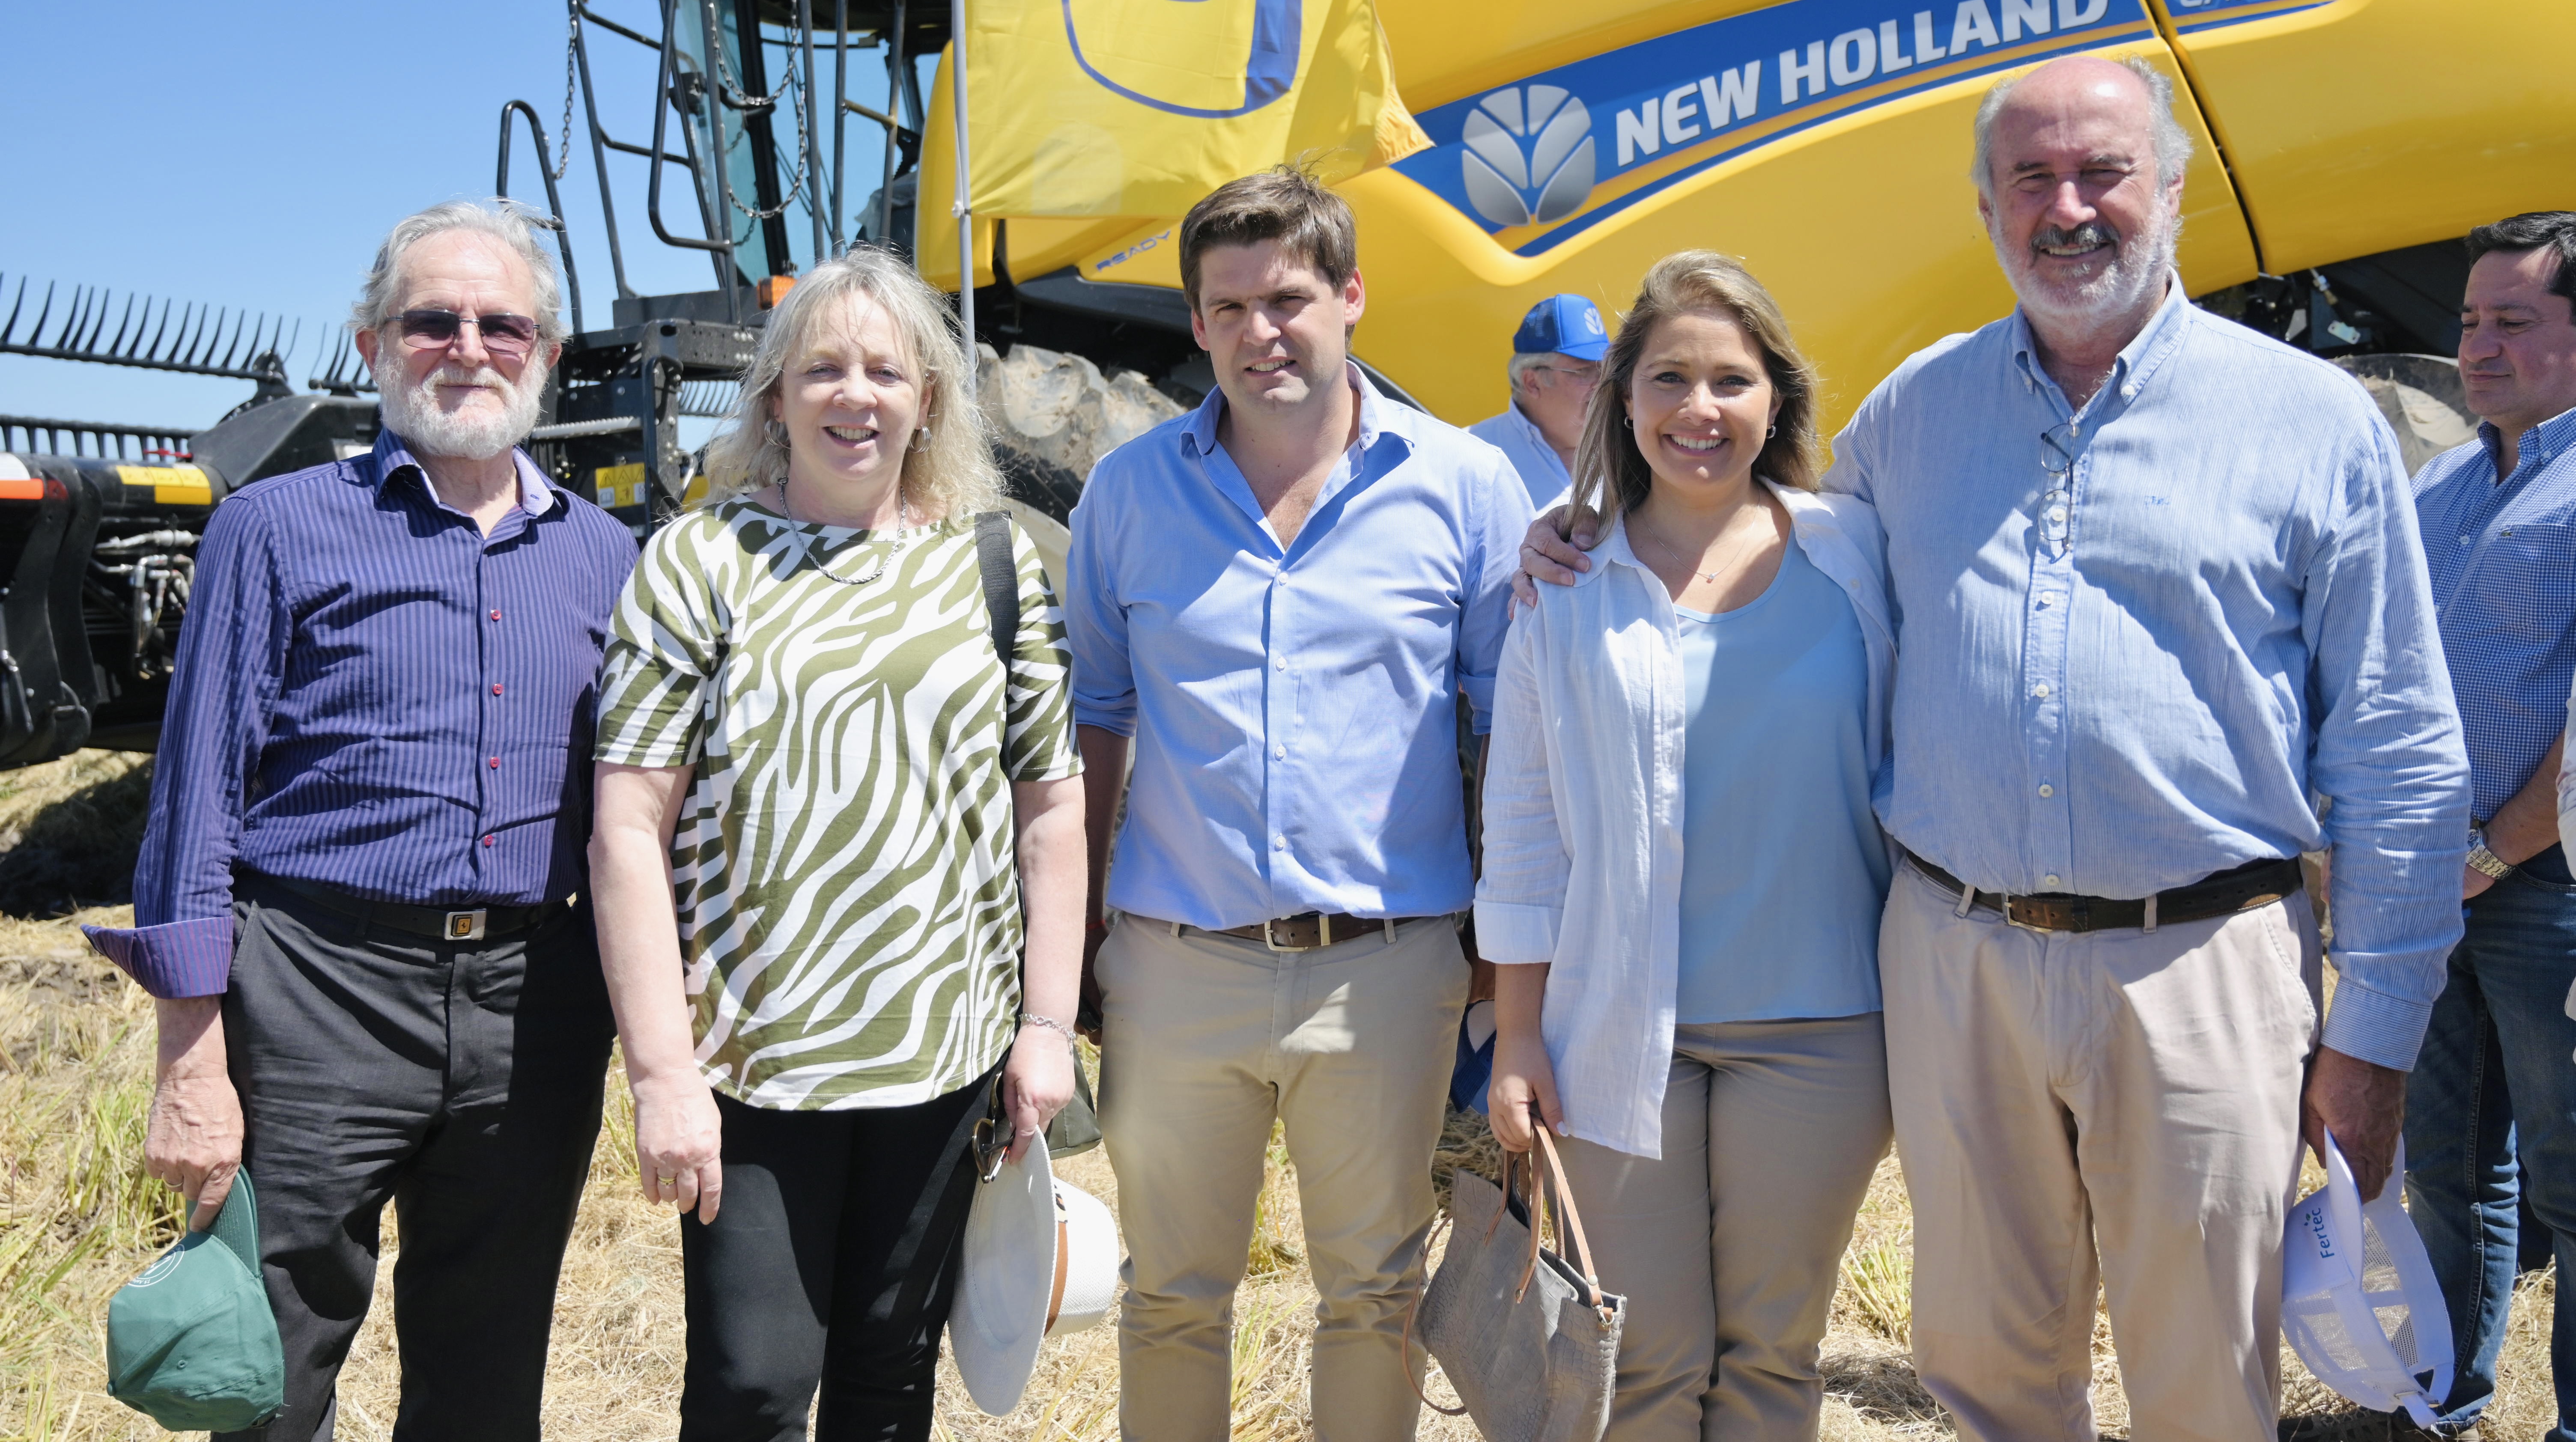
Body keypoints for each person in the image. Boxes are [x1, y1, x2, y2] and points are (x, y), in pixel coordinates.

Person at [1518, 54, 2472, 1442]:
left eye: (2102, 171)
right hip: (1956, 959)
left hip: (2198, 963)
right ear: (1983, 205)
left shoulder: (2308, 422)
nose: (2068, 206)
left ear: (2171, 188)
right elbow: (1762, 564)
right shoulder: (1914, 412)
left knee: (2203, 1374)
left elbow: (2398, 746)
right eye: (2030, 178)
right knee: (1984, 1370)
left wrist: (2374, 1036)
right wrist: (1592, 531)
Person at [84, 200, 638, 1442]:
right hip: (317, 990)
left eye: (505, 325)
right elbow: (195, 804)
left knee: (489, 1383)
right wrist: (190, 1061)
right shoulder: (274, 530)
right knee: (265, 1378)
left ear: (546, 354)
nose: (469, 346)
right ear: (372, 344)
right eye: (432, 320)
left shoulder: (610, 559)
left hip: (535, 1005)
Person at [1065, 166, 1533, 1439]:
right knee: (1167, 1294)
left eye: (1286, 298)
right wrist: (1067, 951)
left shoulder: (1461, 485)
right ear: (1197, 323)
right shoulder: (1126, 493)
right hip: (1174, 967)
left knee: (1373, 1294)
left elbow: (1505, 728)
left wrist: (1506, 951)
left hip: (1384, 971)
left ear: (1350, 296)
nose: (1258, 332)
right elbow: (1090, 724)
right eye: (1226, 308)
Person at [586, 249, 1085, 1442]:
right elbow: (625, 828)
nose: (853, 395)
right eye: (822, 370)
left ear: (928, 399)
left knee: (888, 1377)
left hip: (943, 1054)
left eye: (883, 369)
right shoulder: (700, 564)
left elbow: (1052, 810)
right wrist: (661, 1075)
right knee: (754, 1385)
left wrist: (1047, 1027)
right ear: (774, 399)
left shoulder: (994, 566)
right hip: (754, 1066)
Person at [1481, 250, 1895, 1440]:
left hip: (1823, 1035)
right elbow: (1523, 828)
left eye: (1731, 380)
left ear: (1778, 399)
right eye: (1668, 379)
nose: (1699, 411)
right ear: (1622, 399)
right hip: (1615, 1032)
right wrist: (1516, 1033)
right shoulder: (1565, 578)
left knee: (1774, 1359)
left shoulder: (1857, 556)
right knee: (1641, 1368)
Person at [2390, 210, 2576, 1442]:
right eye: (2468, 320)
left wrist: (2496, 849)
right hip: (2433, 886)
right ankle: (2442, 1409)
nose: (2479, 347)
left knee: (2574, 1186)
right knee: (2446, 1172)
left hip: (2548, 887)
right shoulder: (2452, 476)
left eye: (2515, 321)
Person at [1468, 291, 1610, 504]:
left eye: (1605, 369)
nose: (1602, 384)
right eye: (1583, 371)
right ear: (1533, 383)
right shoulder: (1470, 455)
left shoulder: (1635, 445)